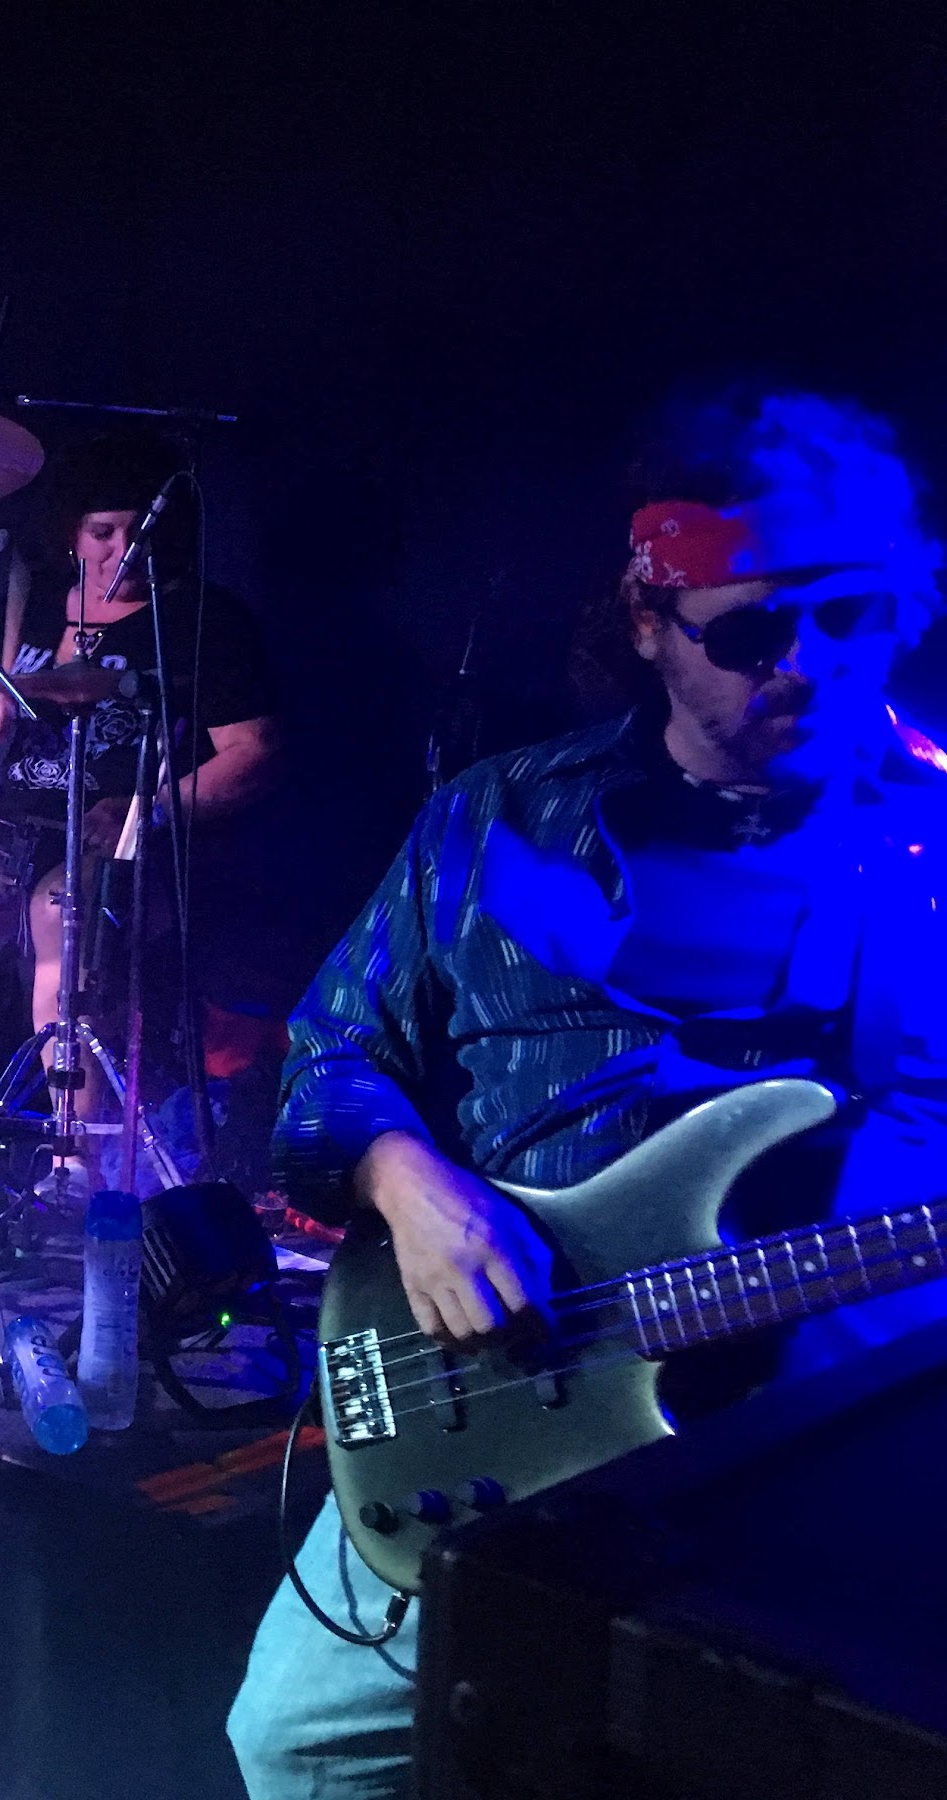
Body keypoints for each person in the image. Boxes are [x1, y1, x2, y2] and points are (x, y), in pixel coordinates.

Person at [227, 388, 947, 1799]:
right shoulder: (498, 817)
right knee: (298, 1743)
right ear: (649, 621)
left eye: (852, 616)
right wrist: (406, 1184)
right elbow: (327, 1060)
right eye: (749, 633)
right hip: (506, 1397)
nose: (807, 665)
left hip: (819, 1451)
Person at [0, 439, 283, 1179]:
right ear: (71, 533)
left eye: (139, 532)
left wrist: (147, 809)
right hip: (9, 826)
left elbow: (254, 755)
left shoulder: (201, 620)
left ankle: (75, 1152)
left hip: (127, 844)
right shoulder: (30, 602)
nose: (122, 550)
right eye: (103, 532)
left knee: (59, 908)